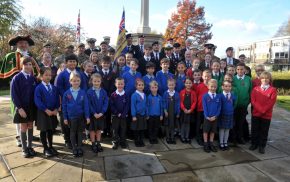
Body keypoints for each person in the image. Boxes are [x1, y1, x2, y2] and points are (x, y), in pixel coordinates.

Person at [11, 57, 37, 158]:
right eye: (26, 64)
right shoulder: (17, 78)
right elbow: (14, 95)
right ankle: (24, 149)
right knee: (23, 127)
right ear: (22, 65)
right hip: (22, 108)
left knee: (30, 126)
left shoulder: (33, 78)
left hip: (31, 107)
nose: (28, 66)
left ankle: (30, 146)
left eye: (30, 64)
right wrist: (20, 108)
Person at [56, 54, 84, 148]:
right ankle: (67, 140)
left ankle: (77, 139)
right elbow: (59, 88)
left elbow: (83, 86)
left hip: (78, 103)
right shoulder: (62, 74)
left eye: (74, 61)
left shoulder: (80, 73)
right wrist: (68, 96)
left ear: (76, 63)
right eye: (70, 61)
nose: (72, 63)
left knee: (77, 121)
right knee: (66, 122)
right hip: (66, 103)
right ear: (66, 63)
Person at [62, 72, 90, 157]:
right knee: (73, 132)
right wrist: (65, 118)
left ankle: (80, 147)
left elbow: (86, 105)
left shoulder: (83, 92)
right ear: (70, 81)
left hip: (80, 116)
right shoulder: (66, 93)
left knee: (80, 132)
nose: (76, 82)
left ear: (80, 81)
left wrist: (87, 116)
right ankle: (74, 148)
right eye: (74, 81)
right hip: (71, 117)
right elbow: (64, 106)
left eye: (78, 81)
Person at [34, 67, 59, 157]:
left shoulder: (54, 88)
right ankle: (45, 148)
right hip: (43, 113)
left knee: (50, 130)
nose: (48, 77)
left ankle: (51, 146)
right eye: (46, 75)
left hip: (52, 112)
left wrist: (56, 109)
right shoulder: (39, 88)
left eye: (50, 75)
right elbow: (37, 101)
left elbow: (57, 99)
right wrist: (45, 109)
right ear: (41, 76)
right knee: (44, 130)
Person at [250, 71, 277, 154]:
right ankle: (254, 144)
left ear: (270, 80)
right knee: (254, 129)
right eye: (263, 78)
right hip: (256, 113)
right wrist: (260, 109)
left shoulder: (273, 90)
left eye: (267, 78)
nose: (265, 80)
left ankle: (262, 146)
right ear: (260, 79)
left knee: (264, 131)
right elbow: (253, 100)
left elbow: (271, 102)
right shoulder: (255, 89)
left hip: (266, 115)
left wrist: (263, 110)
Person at [87, 73, 109, 153]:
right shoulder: (89, 92)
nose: (96, 83)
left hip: (101, 115)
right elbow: (88, 104)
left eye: (98, 81)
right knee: (92, 130)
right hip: (93, 115)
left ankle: (98, 143)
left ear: (101, 81)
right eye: (95, 81)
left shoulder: (103, 91)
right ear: (91, 81)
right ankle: (93, 143)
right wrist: (94, 113)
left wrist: (102, 112)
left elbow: (106, 102)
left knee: (99, 130)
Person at [233, 63, 252, 144]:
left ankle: (240, 137)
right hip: (234, 105)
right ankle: (233, 138)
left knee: (241, 122)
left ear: (245, 70)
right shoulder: (233, 79)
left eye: (241, 69)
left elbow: (250, 91)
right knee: (234, 122)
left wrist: (248, 102)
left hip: (244, 105)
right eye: (238, 69)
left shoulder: (248, 79)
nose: (240, 71)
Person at [99, 56, 117, 137]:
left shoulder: (113, 73)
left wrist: (109, 95)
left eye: (107, 63)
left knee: (109, 114)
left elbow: (114, 85)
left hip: (110, 96)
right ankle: (103, 130)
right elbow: (99, 84)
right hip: (101, 97)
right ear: (101, 64)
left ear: (110, 64)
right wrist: (104, 95)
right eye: (104, 63)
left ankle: (109, 130)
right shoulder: (98, 73)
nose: (106, 64)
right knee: (103, 114)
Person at [202, 79, 221, 153]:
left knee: (213, 131)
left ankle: (211, 143)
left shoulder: (218, 97)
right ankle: (206, 144)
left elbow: (219, 108)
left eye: (215, 87)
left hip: (215, 118)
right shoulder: (205, 96)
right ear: (208, 86)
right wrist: (207, 116)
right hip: (207, 117)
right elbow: (204, 107)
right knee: (206, 131)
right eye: (211, 86)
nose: (213, 88)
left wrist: (215, 116)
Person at [110, 78, 130, 149]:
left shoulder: (126, 94)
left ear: (124, 84)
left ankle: (122, 141)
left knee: (123, 129)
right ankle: (115, 142)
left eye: (122, 84)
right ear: (115, 84)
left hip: (124, 116)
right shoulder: (113, 94)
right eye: (118, 84)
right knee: (115, 129)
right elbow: (111, 105)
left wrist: (124, 113)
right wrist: (117, 113)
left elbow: (127, 105)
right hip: (115, 116)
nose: (120, 85)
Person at [219, 80, 237, 151]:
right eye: (226, 86)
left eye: (229, 86)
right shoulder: (220, 96)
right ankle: (221, 143)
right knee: (222, 129)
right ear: (222, 87)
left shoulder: (232, 95)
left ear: (231, 87)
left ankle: (225, 142)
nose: (227, 88)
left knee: (227, 129)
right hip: (222, 114)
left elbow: (234, 103)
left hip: (230, 114)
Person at [195, 70, 211, 145]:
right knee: (198, 123)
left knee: (206, 124)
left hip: (208, 109)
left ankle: (205, 137)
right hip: (200, 108)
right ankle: (198, 137)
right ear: (202, 77)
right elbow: (196, 96)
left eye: (208, 76)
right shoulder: (199, 86)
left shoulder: (211, 87)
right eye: (205, 76)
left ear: (210, 77)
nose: (207, 78)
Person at [163, 79, 180, 144]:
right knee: (167, 124)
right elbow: (164, 102)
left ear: (175, 85)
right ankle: (168, 137)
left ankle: (172, 137)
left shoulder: (176, 94)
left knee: (172, 125)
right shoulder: (165, 93)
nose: (171, 86)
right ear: (167, 85)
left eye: (172, 85)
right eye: (170, 85)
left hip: (174, 112)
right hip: (167, 112)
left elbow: (178, 104)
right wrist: (165, 110)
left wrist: (178, 112)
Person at [179, 78, 197, 143]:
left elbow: (195, 102)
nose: (188, 84)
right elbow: (180, 102)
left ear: (192, 84)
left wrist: (191, 109)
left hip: (190, 111)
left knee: (188, 124)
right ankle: (182, 137)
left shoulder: (193, 92)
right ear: (184, 84)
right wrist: (184, 109)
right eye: (187, 83)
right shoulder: (182, 92)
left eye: (190, 83)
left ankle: (187, 137)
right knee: (183, 124)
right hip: (183, 111)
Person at [131, 79, 147, 147]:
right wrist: (133, 115)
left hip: (143, 114)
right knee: (136, 129)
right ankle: (136, 140)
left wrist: (146, 113)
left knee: (142, 128)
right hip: (137, 115)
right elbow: (133, 106)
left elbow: (146, 105)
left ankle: (141, 140)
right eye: (139, 85)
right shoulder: (134, 95)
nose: (141, 86)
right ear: (136, 86)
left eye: (142, 85)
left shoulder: (144, 94)